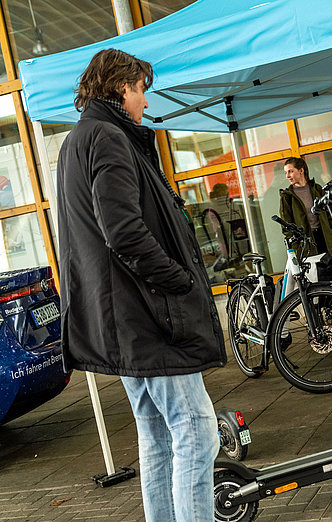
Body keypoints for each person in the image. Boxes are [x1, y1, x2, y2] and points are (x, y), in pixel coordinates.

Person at [56, 49, 226, 521]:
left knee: (156, 436)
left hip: (121, 321)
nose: (145, 103)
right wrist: (179, 280)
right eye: (141, 90)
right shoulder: (109, 138)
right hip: (147, 317)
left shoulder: (76, 142)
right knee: (196, 430)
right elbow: (124, 232)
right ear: (120, 87)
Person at [279, 157, 332, 257]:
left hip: (326, 238)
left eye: (290, 171)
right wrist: (296, 245)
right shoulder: (287, 196)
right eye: (286, 172)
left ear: (301, 170)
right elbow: (286, 226)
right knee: (313, 271)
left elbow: (330, 214)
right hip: (305, 243)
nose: (288, 176)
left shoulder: (317, 189)